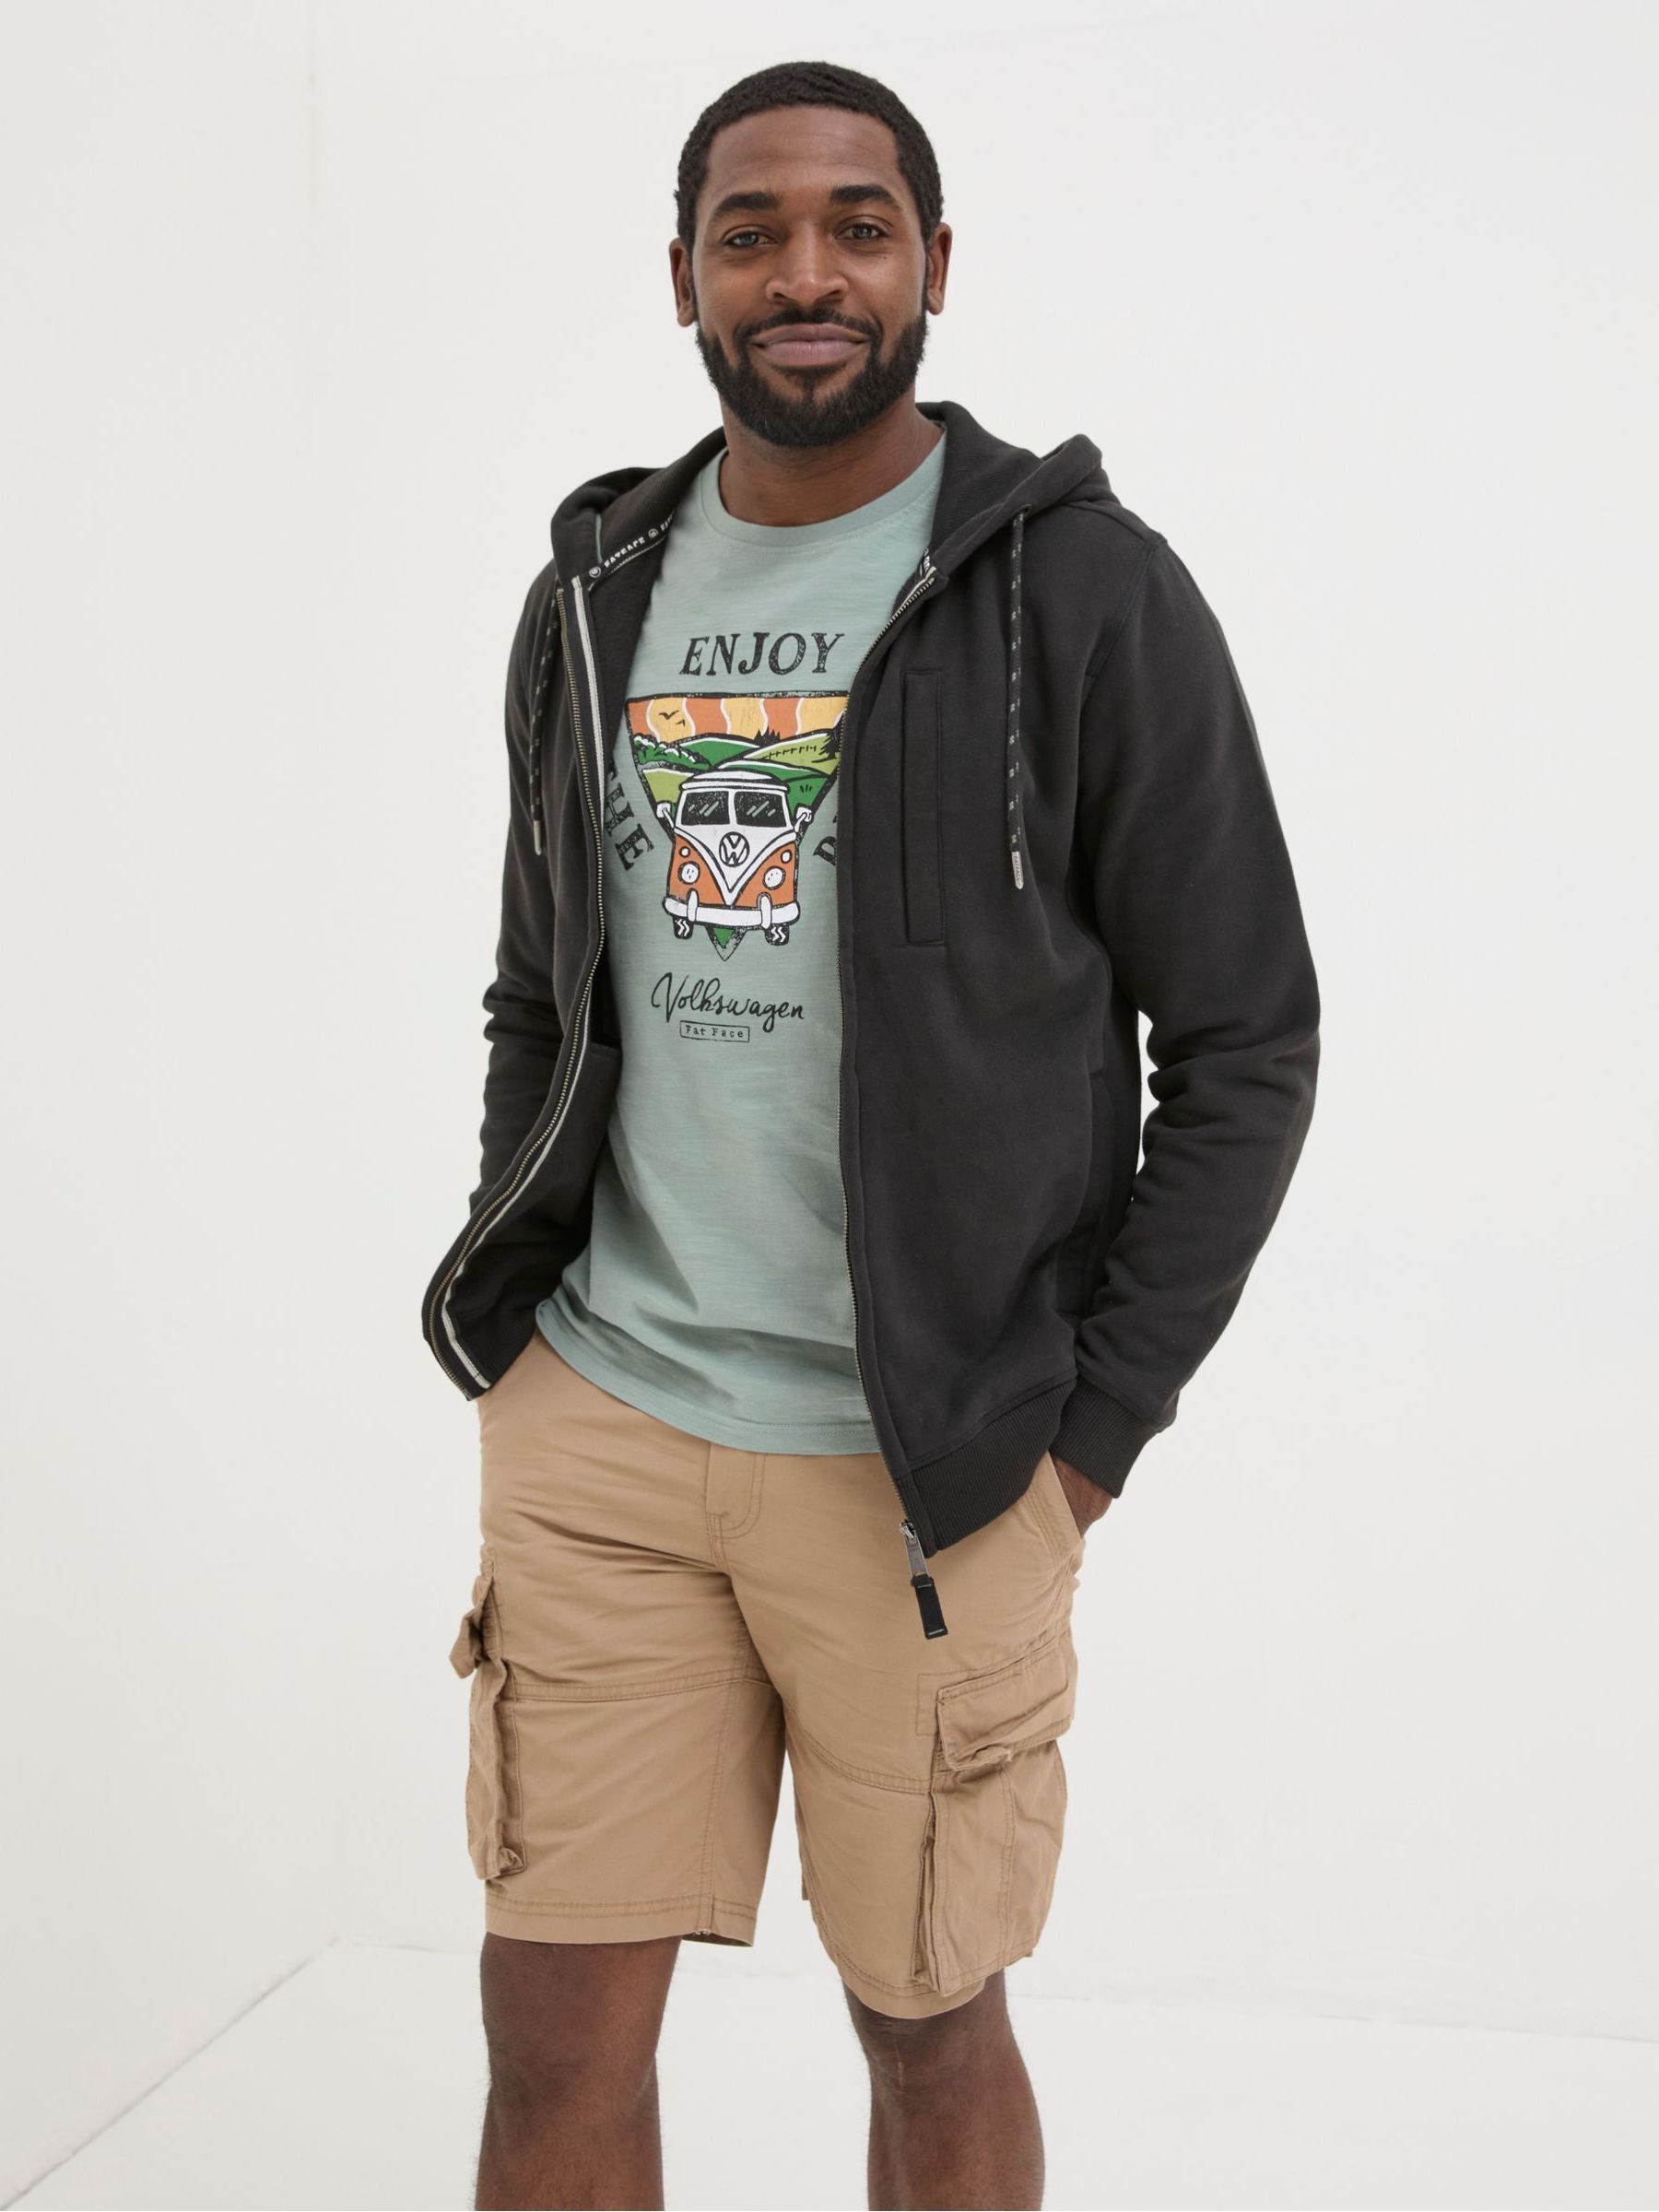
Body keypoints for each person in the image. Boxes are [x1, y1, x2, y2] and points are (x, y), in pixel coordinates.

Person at [422, 56, 1320, 2212]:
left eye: (857, 225)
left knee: (927, 2022)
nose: (805, 274)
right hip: (608, 1430)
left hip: (930, 1468)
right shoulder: (594, 593)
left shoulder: (1080, 591)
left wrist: (1084, 1440)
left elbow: (1247, 1043)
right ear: (683, 278)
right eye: (752, 233)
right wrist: (517, 1321)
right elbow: (546, 982)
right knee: (553, 2034)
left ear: (933, 263)